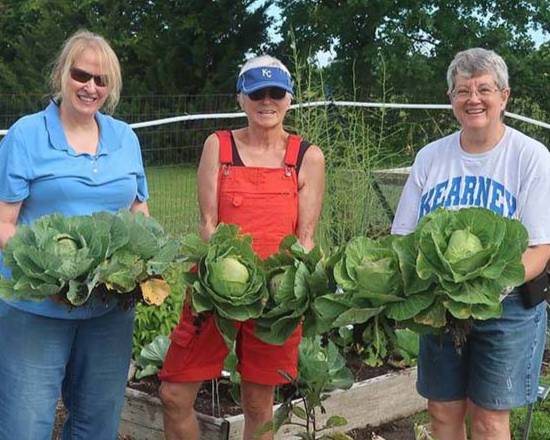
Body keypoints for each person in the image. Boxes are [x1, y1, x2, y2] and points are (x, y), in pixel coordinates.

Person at [159, 55, 325, 440]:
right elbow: (207, 226)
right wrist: (220, 285)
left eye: (276, 93)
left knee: (257, 406)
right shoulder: (219, 147)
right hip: (217, 292)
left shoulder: (306, 157)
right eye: (256, 93)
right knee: (173, 394)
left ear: (289, 99)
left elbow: (306, 237)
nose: (266, 101)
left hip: (274, 299)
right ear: (240, 99)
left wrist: (288, 293)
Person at [391, 47, 550, 440]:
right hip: (439, 304)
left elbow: (540, 249)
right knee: (442, 412)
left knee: (489, 419)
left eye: (484, 89)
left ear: (504, 96)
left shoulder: (530, 157)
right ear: (451, 99)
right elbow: (403, 237)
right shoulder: (431, 157)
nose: (473, 99)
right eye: (462, 91)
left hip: (507, 306)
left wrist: (486, 288)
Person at [0, 30, 149, 439]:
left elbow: (139, 211)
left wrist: (140, 265)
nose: (90, 87)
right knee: (24, 425)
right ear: (63, 75)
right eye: (82, 75)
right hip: (37, 307)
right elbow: (4, 223)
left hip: (107, 309)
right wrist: (51, 274)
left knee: (97, 423)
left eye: (101, 80)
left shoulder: (125, 138)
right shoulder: (26, 136)